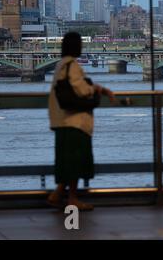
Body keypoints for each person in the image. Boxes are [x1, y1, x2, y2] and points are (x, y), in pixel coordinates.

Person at [48, 32, 115, 211]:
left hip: (60, 120)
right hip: (74, 122)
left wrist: (100, 88)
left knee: (66, 161)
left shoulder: (60, 64)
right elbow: (81, 89)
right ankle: (72, 199)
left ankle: (57, 194)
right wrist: (98, 91)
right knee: (76, 161)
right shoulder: (72, 65)